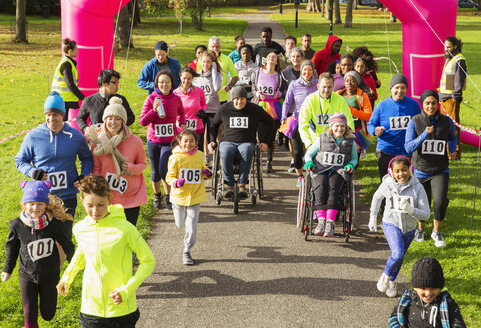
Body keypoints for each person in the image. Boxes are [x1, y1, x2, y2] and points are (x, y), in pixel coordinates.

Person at [56, 175, 156, 328]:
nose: (95, 211)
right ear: (82, 201)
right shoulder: (80, 229)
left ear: (110, 200)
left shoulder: (125, 229)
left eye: (101, 205)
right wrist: (67, 278)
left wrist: (126, 290)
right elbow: (82, 253)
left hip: (121, 311)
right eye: (90, 205)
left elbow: (148, 261)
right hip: (91, 309)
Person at [15, 92, 93, 239]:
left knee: (64, 238)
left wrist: (84, 176)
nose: (52, 118)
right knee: (44, 238)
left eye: (55, 114)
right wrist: (33, 172)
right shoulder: (33, 136)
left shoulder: (76, 136)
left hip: (67, 196)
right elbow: (20, 161)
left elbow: (87, 159)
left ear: (62, 114)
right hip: (41, 198)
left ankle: (61, 262)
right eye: (48, 114)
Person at [2, 180, 75, 328]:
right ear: (24, 204)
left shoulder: (55, 224)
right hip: (27, 275)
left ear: (46, 205)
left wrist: (75, 263)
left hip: (50, 275)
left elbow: (67, 244)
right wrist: (7, 269)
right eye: (31, 203)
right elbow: (12, 247)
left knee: (48, 315)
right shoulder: (17, 225)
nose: (35, 208)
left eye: (40, 204)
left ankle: (46, 311)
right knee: (29, 314)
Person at [369, 156, 430, 298]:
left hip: (409, 228)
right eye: (397, 171)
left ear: (410, 170)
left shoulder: (418, 187)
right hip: (391, 224)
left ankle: (393, 280)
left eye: (404, 170)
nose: (400, 174)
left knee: (400, 256)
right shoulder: (387, 185)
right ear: (391, 172)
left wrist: (411, 210)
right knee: (397, 253)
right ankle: (386, 275)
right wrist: (373, 217)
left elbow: (426, 215)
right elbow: (377, 198)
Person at [84, 97, 148, 227]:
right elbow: (95, 167)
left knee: (128, 233)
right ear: (105, 120)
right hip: (107, 197)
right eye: (109, 118)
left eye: (117, 118)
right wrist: (97, 186)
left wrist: (131, 168)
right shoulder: (98, 141)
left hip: (130, 196)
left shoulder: (135, 141)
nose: (113, 122)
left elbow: (143, 165)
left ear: (123, 122)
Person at [404, 90, 456, 248]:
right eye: (427, 103)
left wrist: (452, 150)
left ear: (438, 104)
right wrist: (423, 136)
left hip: (441, 169)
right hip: (420, 169)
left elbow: (452, 137)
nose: (431, 106)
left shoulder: (447, 121)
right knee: (422, 202)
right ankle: (420, 229)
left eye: (434, 103)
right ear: (422, 104)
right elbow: (408, 148)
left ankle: (436, 231)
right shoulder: (415, 121)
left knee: (440, 201)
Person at [208, 87, 275, 198]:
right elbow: (213, 125)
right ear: (232, 99)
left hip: (247, 141)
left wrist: (265, 141)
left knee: (248, 150)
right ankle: (229, 185)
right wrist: (212, 141)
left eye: (242, 99)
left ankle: (242, 185)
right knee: (225, 152)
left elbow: (271, 122)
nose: (239, 101)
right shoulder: (224, 108)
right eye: (237, 99)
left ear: (246, 99)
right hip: (227, 141)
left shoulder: (254, 109)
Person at [304, 113, 358, 237]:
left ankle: (330, 222)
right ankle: (321, 221)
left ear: (346, 127)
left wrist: (350, 164)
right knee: (320, 188)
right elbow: (309, 154)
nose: (339, 129)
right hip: (320, 168)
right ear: (331, 126)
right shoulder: (322, 138)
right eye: (337, 126)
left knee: (334, 189)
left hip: (338, 170)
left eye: (342, 126)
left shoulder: (351, 142)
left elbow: (354, 159)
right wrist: (309, 162)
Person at [139, 71, 187, 210]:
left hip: (169, 141)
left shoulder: (176, 98)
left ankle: (168, 197)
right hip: (153, 140)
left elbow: (181, 113)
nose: (164, 85)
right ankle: (157, 195)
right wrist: (153, 111)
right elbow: (142, 121)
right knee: (154, 172)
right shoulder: (151, 99)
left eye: (167, 82)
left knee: (163, 170)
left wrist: (182, 123)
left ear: (172, 83)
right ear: (156, 84)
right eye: (161, 82)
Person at [166, 130, 212, 265]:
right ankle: (185, 232)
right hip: (179, 197)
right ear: (180, 143)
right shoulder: (175, 157)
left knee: (191, 225)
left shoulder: (199, 155)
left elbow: (204, 170)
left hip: (195, 195)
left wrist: (207, 173)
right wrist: (175, 182)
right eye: (185, 141)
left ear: (196, 143)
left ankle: (187, 250)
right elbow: (169, 176)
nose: (188, 143)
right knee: (180, 224)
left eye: (191, 141)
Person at [367, 74, 422, 181]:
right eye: (397, 87)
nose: (400, 91)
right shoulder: (382, 106)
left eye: (403, 88)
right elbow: (370, 124)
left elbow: (420, 123)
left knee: (407, 183)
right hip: (386, 150)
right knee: (387, 184)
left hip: (407, 152)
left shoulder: (414, 105)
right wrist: (375, 130)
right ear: (391, 88)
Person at [389, 257, 466, 327]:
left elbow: (458, 324)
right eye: (423, 288)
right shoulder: (407, 299)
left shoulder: (447, 303)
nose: (428, 293)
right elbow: (394, 317)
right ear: (415, 287)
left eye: (434, 288)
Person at [281, 61, 318, 185]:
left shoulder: (317, 84)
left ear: (313, 71)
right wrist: (284, 117)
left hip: (314, 123)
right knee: (297, 153)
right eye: (304, 70)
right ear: (301, 71)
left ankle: (313, 174)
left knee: (312, 150)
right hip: (297, 121)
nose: (307, 72)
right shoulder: (294, 84)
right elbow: (287, 102)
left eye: (309, 70)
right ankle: (300, 176)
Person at [298, 72, 355, 149]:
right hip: (316, 142)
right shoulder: (310, 100)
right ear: (318, 86)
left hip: (335, 142)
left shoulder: (340, 100)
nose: (326, 90)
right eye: (324, 87)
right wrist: (309, 144)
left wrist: (346, 140)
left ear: (333, 87)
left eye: (329, 87)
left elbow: (349, 120)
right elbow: (302, 124)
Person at [251, 52, 285, 173]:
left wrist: (279, 94)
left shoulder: (279, 76)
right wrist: (257, 94)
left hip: (274, 107)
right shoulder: (258, 72)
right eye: (269, 56)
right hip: (260, 105)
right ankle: (259, 158)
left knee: (271, 135)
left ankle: (269, 161)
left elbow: (283, 90)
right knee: (260, 136)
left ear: (276, 62)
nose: (271, 58)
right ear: (266, 60)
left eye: (274, 57)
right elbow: (253, 87)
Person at [76, 69, 135, 133]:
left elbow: (131, 117)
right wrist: (85, 128)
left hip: (117, 138)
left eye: (118, 82)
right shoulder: (89, 100)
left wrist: (118, 125)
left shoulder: (121, 100)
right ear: (104, 83)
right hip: (97, 139)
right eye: (114, 82)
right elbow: (79, 118)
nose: (117, 85)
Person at [439, 36, 467, 160]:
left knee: (453, 127)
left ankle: (455, 153)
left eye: (448, 47)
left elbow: (459, 80)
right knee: (444, 127)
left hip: (451, 99)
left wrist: (456, 97)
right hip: (443, 98)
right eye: (445, 46)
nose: (446, 49)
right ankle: (445, 151)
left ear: (455, 47)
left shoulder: (459, 60)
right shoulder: (450, 58)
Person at [281, 48, 307, 172]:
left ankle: (305, 160)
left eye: (298, 56)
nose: (296, 58)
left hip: (307, 111)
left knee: (305, 139)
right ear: (290, 58)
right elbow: (282, 89)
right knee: (292, 138)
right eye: (293, 56)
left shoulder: (309, 71)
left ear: (302, 58)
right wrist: (290, 94)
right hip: (292, 110)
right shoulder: (286, 72)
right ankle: (294, 159)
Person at [193, 52, 222, 158]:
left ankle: (215, 157)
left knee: (212, 136)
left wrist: (214, 69)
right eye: (204, 61)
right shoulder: (196, 76)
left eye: (208, 62)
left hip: (213, 109)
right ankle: (202, 157)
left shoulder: (217, 74)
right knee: (200, 136)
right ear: (200, 61)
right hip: (201, 110)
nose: (206, 64)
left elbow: (216, 87)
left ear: (212, 63)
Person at [336, 70, 372, 156]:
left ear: (357, 83)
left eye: (352, 81)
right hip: (340, 130)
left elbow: (368, 115)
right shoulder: (338, 95)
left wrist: (351, 110)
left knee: (355, 155)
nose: (349, 83)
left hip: (356, 131)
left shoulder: (363, 96)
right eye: (347, 81)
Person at [51, 38, 84, 122]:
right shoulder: (67, 64)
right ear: (70, 51)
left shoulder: (68, 62)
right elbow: (70, 84)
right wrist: (82, 97)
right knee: (62, 123)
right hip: (63, 98)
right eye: (76, 50)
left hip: (63, 98)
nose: (77, 52)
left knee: (63, 123)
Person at [173, 66, 207, 151]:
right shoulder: (175, 93)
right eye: (184, 78)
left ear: (192, 78)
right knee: (182, 154)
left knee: (198, 153)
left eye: (189, 78)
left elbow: (203, 104)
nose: (186, 81)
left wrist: (203, 111)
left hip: (197, 128)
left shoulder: (199, 91)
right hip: (181, 129)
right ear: (180, 77)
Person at [198, 36, 239, 105]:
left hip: (222, 98)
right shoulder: (201, 60)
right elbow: (198, 77)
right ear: (208, 47)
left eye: (217, 47)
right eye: (212, 46)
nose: (215, 49)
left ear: (220, 47)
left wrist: (229, 86)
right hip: (206, 98)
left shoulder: (227, 59)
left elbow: (235, 76)